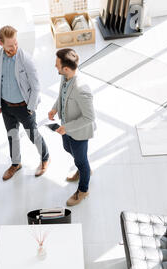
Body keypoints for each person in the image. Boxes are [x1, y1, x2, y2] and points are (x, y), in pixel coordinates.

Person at [0, 25, 50, 181]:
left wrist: (30, 108)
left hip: (24, 107)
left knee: (33, 135)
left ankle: (45, 158)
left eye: (16, 43)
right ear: (1, 44)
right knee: (12, 136)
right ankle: (16, 163)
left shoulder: (26, 58)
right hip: (6, 106)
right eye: (10, 45)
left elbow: (36, 86)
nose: (14, 47)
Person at [48, 48, 96, 206]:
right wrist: (55, 108)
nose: (55, 67)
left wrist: (67, 128)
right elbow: (61, 95)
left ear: (66, 68)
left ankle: (83, 189)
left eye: (57, 65)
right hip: (66, 127)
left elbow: (89, 117)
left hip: (78, 132)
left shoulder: (82, 89)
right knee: (68, 148)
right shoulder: (65, 76)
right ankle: (84, 169)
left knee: (81, 161)